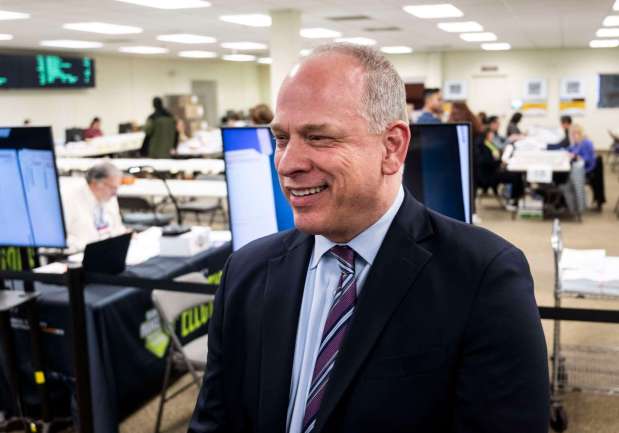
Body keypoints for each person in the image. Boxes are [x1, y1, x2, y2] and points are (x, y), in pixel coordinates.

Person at [189, 44, 548, 433]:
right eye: (281, 138)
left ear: (392, 147)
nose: (288, 163)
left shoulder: (483, 277)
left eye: (319, 137)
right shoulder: (246, 272)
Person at [61, 162, 125, 251]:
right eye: (113, 188)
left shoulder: (109, 198)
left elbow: (117, 228)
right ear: (96, 183)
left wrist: (125, 236)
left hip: (109, 252)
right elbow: (61, 239)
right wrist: (88, 247)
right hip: (80, 254)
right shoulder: (69, 199)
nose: (115, 193)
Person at [476, 128, 525, 207]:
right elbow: (486, 161)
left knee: (517, 173)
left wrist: (501, 161)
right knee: (515, 176)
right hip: (488, 175)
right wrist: (500, 162)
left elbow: (495, 157)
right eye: (491, 134)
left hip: (495, 170)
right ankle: (512, 201)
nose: (493, 136)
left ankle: (517, 198)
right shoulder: (483, 146)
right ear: (487, 135)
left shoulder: (490, 144)